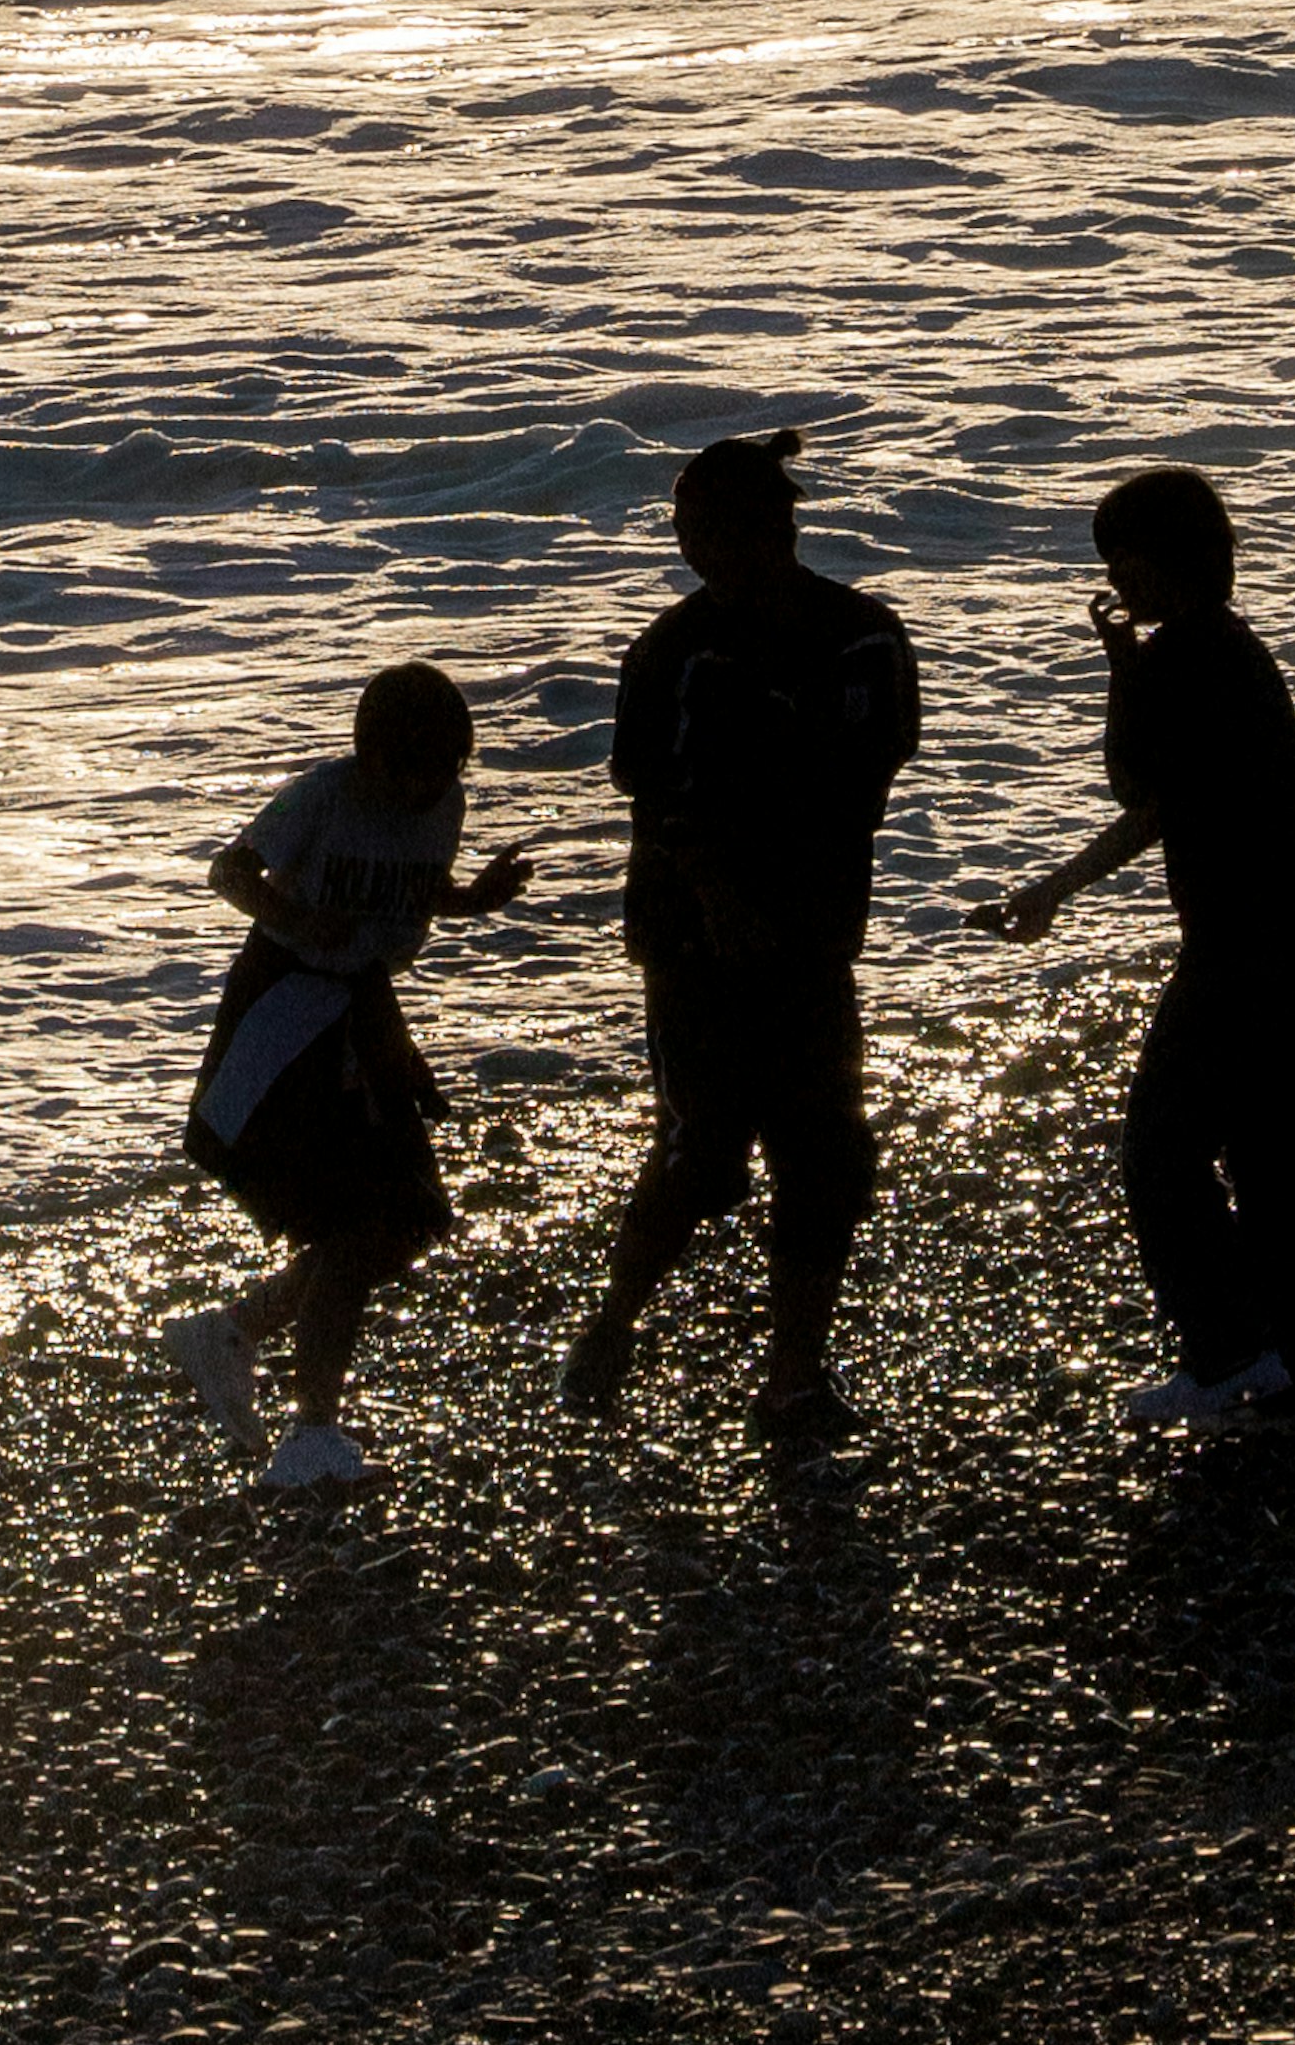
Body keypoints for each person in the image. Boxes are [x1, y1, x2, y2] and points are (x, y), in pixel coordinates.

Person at [561, 427, 921, 1451]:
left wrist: (786, 849)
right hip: (691, 945)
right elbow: (658, 800)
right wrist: (723, 898)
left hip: (811, 937)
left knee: (825, 1154)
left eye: (700, 528)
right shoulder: (675, 652)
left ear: (758, 529)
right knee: (703, 1153)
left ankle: (793, 1377)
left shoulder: (861, 638)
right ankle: (613, 1326)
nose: (689, 548)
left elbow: (874, 769)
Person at [976, 463, 1295, 1435]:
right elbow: (1166, 804)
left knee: (1161, 1153)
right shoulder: (1235, 650)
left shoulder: (1182, 661)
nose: (1115, 580)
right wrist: (1056, 890)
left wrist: (1122, 673)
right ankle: (1292, 1368)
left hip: (1239, 958)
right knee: (1279, 1169)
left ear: (1156, 562)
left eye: (1119, 561)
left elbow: (1133, 784)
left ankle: (1228, 1355)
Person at [162, 660, 531, 1492]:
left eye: (447, 772)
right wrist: (294, 916)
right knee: (348, 1227)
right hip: (286, 1007)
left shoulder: (444, 805)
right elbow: (229, 872)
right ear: (369, 761)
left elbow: (415, 891)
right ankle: (311, 1434)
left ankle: (231, 1331)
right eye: (413, 774)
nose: (429, 791)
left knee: (406, 1221)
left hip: (367, 1008)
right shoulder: (317, 798)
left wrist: (476, 898)